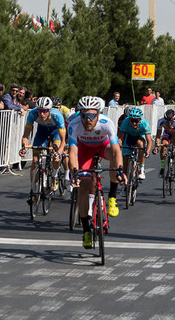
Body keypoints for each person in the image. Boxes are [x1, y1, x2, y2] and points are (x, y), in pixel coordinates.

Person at [67, 96, 124, 249]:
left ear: (98, 114)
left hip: (102, 146)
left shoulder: (107, 123)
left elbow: (116, 149)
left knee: (113, 154)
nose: (87, 119)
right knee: (83, 185)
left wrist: (120, 171)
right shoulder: (74, 124)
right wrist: (74, 173)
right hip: (84, 150)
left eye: (91, 115)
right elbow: (72, 152)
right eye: (84, 115)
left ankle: (112, 196)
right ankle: (86, 230)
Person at [19, 96, 66, 199]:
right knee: (35, 161)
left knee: (55, 152)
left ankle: (54, 176)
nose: (41, 114)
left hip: (55, 132)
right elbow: (26, 135)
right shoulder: (32, 114)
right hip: (41, 132)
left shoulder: (57, 115)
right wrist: (23, 147)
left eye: (45, 111)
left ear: (49, 110)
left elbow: (63, 141)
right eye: (40, 111)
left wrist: (58, 153)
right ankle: (34, 191)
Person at [118, 107, 152, 180]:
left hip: (140, 137)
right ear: (129, 119)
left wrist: (147, 152)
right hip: (129, 137)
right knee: (125, 160)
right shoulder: (125, 122)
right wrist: (118, 148)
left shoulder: (144, 124)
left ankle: (142, 169)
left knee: (140, 143)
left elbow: (149, 141)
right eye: (132, 120)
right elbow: (121, 138)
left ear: (140, 120)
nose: (134, 123)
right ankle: (125, 183)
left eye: (136, 121)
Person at [152, 109, 175, 183]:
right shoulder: (161, 121)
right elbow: (158, 136)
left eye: (171, 122)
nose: (170, 124)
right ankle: (162, 168)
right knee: (163, 146)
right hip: (167, 134)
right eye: (167, 121)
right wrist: (156, 146)